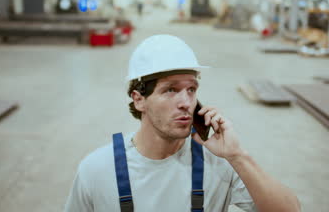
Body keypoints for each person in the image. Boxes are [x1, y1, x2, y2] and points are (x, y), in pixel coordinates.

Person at [64, 35, 301, 212]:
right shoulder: (97, 170)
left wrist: (237, 156)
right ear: (139, 100)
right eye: (170, 90)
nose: (186, 102)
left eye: (191, 89)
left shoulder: (218, 165)